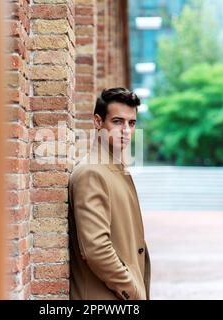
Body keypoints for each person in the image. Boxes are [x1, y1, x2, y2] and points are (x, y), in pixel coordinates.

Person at [68, 87, 151, 300]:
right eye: (117, 121)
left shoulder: (114, 169)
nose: (126, 130)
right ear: (98, 122)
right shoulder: (91, 173)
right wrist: (132, 291)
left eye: (131, 123)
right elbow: (96, 249)